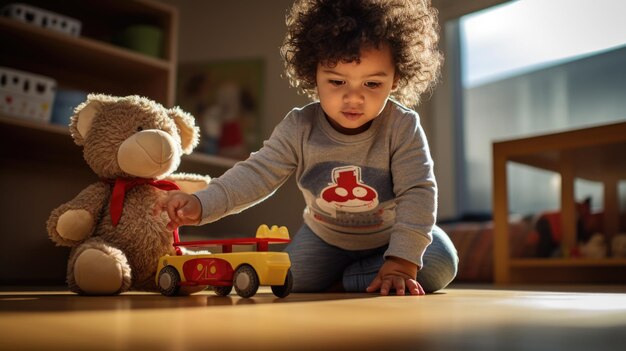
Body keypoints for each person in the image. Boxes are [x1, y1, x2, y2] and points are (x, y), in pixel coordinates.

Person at [154, 0, 458, 296]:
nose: (353, 98)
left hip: (389, 236)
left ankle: (358, 278)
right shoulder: (300, 126)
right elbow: (255, 174)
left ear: (395, 80)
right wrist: (201, 204)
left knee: (440, 262)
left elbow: (417, 192)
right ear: (313, 74)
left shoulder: (402, 125)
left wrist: (401, 264)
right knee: (288, 280)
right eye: (337, 82)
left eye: (372, 84)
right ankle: (357, 280)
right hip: (324, 238)